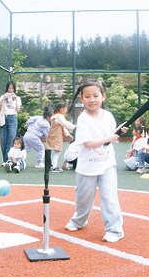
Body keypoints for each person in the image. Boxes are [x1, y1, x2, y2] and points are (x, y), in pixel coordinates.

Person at [64, 79, 124, 243]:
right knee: (84, 197)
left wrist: (118, 131)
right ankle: (79, 221)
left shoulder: (109, 116)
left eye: (96, 95)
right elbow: (88, 143)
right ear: (82, 99)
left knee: (109, 196)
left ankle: (114, 230)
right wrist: (110, 137)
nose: (92, 100)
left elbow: (111, 134)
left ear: (103, 97)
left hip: (107, 164)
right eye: (87, 96)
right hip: (87, 166)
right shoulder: (83, 118)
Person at [46, 102, 76, 173]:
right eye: (65, 109)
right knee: (57, 151)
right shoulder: (59, 116)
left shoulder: (56, 116)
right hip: (56, 136)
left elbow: (62, 126)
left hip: (54, 135)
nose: (66, 110)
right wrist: (74, 126)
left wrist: (67, 134)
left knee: (56, 151)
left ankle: (53, 165)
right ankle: (54, 166)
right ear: (62, 109)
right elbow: (65, 124)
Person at [0, 81, 21, 164]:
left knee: (11, 139)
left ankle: (8, 160)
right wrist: (3, 98)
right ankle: (5, 159)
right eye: (9, 88)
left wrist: (16, 99)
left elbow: (17, 109)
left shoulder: (17, 98)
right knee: (3, 140)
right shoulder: (3, 97)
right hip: (4, 118)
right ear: (6, 88)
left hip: (12, 118)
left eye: (12, 88)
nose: (10, 90)